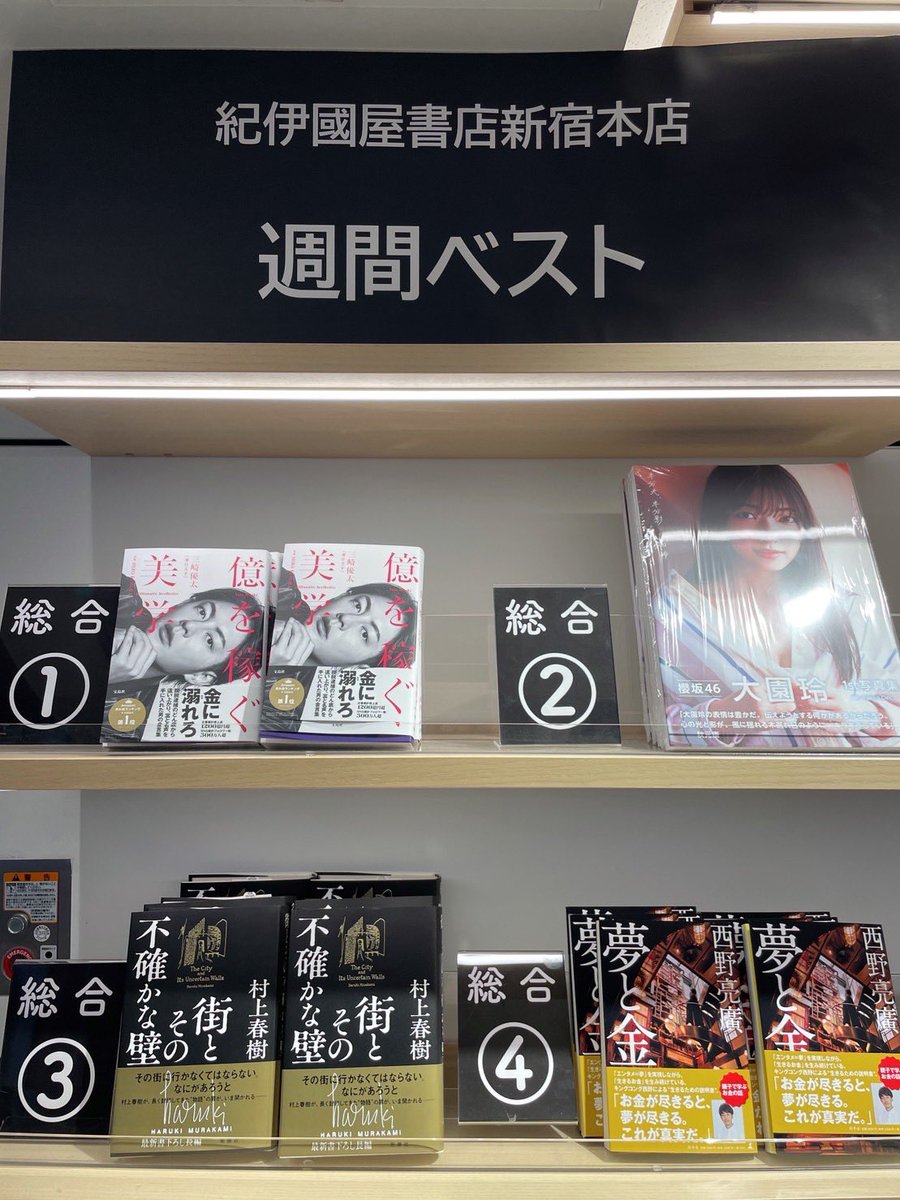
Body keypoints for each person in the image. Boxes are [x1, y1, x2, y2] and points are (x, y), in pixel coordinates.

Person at [655, 465, 900, 748]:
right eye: (747, 515)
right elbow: (652, 721)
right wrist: (722, 715)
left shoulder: (846, 608)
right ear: (719, 521)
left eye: (787, 518)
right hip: (743, 773)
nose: (770, 533)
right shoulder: (676, 612)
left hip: (853, 772)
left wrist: (860, 713)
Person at [108, 573, 264, 686]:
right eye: (202, 612)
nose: (190, 625)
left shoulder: (135, 718)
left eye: (210, 640)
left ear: (202, 676)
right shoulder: (122, 594)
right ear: (184, 603)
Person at [268, 573, 418, 670]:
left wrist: (275, 674)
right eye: (358, 605)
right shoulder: (280, 584)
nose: (346, 618)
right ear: (340, 596)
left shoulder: (301, 707)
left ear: (359, 668)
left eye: (365, 634)